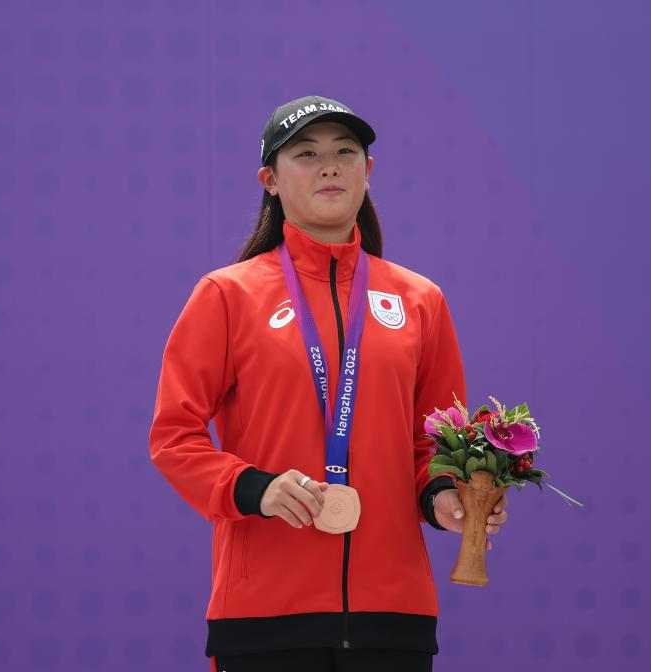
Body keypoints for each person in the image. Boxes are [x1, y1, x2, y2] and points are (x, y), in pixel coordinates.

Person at [148, 94, 509, 672]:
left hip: (393, 615)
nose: (330, 167)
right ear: (270, 180)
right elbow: (174, 437)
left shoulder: (420, 300)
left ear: (369, 170)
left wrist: (444, 497)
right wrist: (254, 488)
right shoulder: (227, 295)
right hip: (265, 615)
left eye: (345, 151)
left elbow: (434, 445)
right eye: (306, 154)